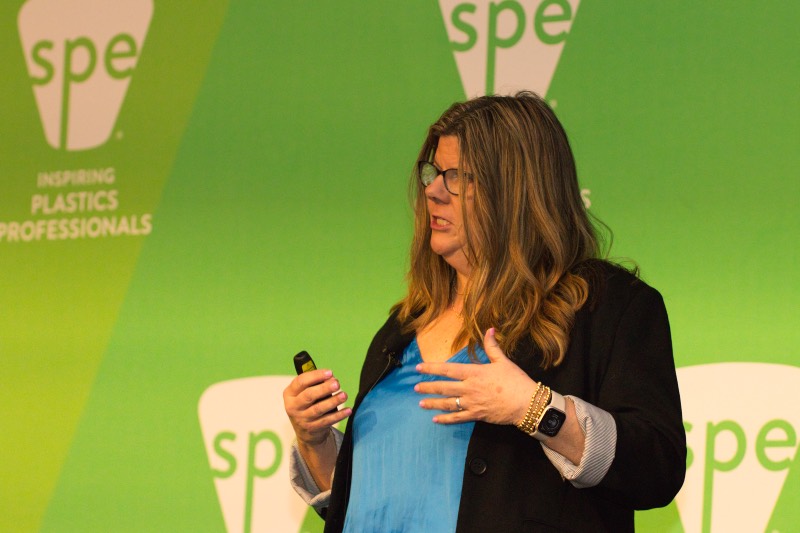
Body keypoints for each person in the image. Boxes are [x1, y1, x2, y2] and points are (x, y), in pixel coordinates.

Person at [283, 92, 686, 532]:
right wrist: (314, 440)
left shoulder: (605, 308)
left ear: (516, 191)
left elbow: (656, 469)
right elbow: (375, 499)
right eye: (433, 173)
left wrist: (535, 408)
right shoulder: (401, 329)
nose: (433, 190)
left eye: (456, 177)